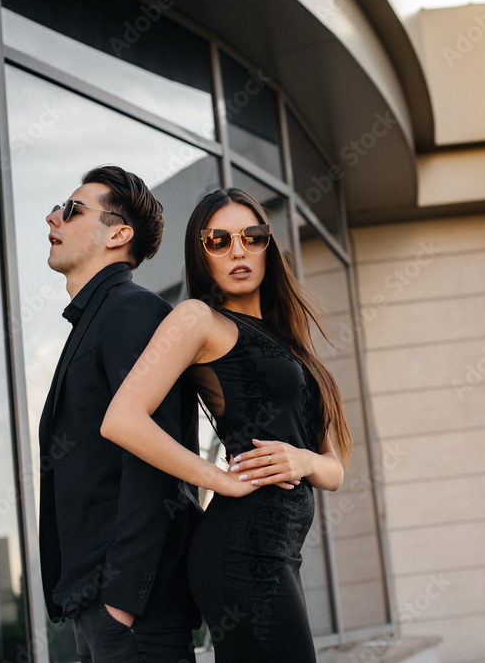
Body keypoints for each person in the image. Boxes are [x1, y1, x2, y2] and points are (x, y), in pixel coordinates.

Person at [101, 187, 353, 662]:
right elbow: (121, 419)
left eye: (251, 237)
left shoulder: (289, 340)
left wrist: (300, 459)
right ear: (202, 255)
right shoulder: (198, 319)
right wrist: (217, 480)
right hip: (240, 548)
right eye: (218, 241)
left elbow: (334, 472)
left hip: (280, 550)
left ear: (267, 247)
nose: (237, 251)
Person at [38, 165, 201, 663]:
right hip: (98, 604)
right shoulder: (98, 318)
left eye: (72, 209)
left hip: (131, 610)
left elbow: (154, 459)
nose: (53, 217)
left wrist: (122, 603)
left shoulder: (131, 312)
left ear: (119, 234)